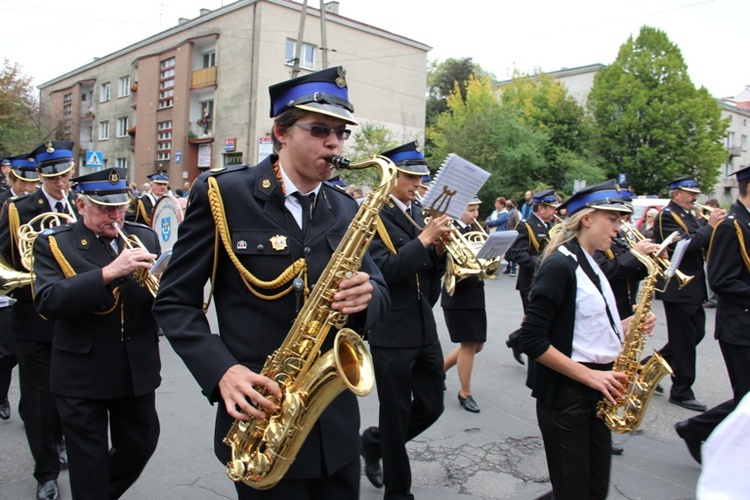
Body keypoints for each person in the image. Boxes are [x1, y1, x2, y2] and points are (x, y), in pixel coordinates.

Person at [152, 66, 389, 499]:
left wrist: (368, 298)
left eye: (342, 133)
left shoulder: (346, 207)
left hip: (334, 430)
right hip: (260, 426)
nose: (335, 144)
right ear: (281, 131)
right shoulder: (224, 193)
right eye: (320, 130)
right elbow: (174, 304)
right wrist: (222, 372)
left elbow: (380, 290)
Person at [518, 181, 656, 500]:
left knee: (593, 490)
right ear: (588, 219)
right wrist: (591, 376)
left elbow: (585, 328)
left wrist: (628, 324)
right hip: (568, 397)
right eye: (614, 220)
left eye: (621, 221)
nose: (619, 229)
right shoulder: (559, 265)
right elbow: (532, 340)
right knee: (575, 492)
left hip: (595, 392)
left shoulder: (591, 262)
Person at [33, 167, 162, 499]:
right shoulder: (55, 244)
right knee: (87, 464)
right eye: (105, 208)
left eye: (120, 207)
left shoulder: (143, 236)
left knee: (141, 445)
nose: (115, 215)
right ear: (81, 205)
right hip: (81, 373)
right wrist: (108, 273)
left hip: (135, 370)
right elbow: (48, 301)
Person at [359, 141, 450, 499]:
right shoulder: (373, 214)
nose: (419, 184)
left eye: (421, 177)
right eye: (412, 177)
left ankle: (374, 443)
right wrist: (425, 241)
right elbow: (383, 270)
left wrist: (439, 253)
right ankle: (399, 492)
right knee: (395, 415)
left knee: (432, 404)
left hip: (423, 325)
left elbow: (428, 275)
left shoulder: (419, 211)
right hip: (391, 330)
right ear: (392, 175)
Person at [0, 141, 79, 500]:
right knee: (38, 398)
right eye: (54, 176)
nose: (62, 183)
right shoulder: (18, 210)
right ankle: (45, 470)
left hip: (76, 316)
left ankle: (60, 440)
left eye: (66, 175)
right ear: (41, 175)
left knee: (71, 391)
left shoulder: (82, 205)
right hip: (33, 316)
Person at [674, 165, 750, 464]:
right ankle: (697, 429)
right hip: (740, 327)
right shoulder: (732, 226)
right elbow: (720, 280)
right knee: (746, 400)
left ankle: (697, 428)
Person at [653, 176, 726, 412]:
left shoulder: (688, 216)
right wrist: (709, 226)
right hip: (678, 287)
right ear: (676, 194)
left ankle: (648, 368)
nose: (695, 198)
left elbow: (702, 243)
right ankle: (682, 390)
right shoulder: (667, 215)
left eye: (695, 194)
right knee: (684, 340)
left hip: (693, 287)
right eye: (689, 193)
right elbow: (682, 246)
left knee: (694, 334)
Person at [0, 153, 42, 422]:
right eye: (24, 182)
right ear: (12, 177)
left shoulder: (37, 204)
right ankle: (2, 395)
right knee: (7, 352)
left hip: (36, 287)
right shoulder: (5, 204)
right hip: (10, 287)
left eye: (34, 183)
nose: (28, 188)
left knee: (33, 360)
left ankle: (31, 407)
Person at [442, 198, 487, 413]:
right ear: (458, 210)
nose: (475, 214)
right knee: (469, 344)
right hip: (458, 293)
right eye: (471, 210)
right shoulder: (448, 230)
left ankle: (438, 371)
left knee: (477, 344)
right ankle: (465, 393)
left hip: (475, 293)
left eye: (477, 209)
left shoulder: (474, 229)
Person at [504, 189, 558, 365]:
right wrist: (543, 264)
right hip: (531, 283)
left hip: (548, 281)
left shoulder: (552, 226)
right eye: (551, 208)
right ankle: (535, 361)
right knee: (536, 324)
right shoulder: (526, 225)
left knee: (544, 322)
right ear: (541, 208)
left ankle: (515, 339)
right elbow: (517, 253)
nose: (555, 211)